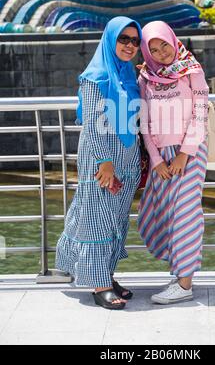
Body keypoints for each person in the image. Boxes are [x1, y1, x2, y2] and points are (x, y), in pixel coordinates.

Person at [55, 16, 142, 310]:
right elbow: (92, 123)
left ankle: (106, 274)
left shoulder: (128, 73)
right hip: (100, 157)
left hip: (127, 157)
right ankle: (99, 284)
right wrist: (104, 162)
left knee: (116, 219)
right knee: (96, 218)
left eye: (134, 40)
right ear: (109, 40)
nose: (130, 45)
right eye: (123, 39)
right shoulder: (96, 76)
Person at [137, 21, 209, 305]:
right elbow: (144, 121)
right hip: (161, 157)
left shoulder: (192, 70)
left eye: (164, 44)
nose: (161, 52)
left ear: (173, 40)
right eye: (153, 49)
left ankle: (185, 283)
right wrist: (155, 160)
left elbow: (200, 113)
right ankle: (179, 271)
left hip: (190, 154)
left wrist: (184, 153)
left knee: (186, 213)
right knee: (164, 213)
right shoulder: (145, 77)